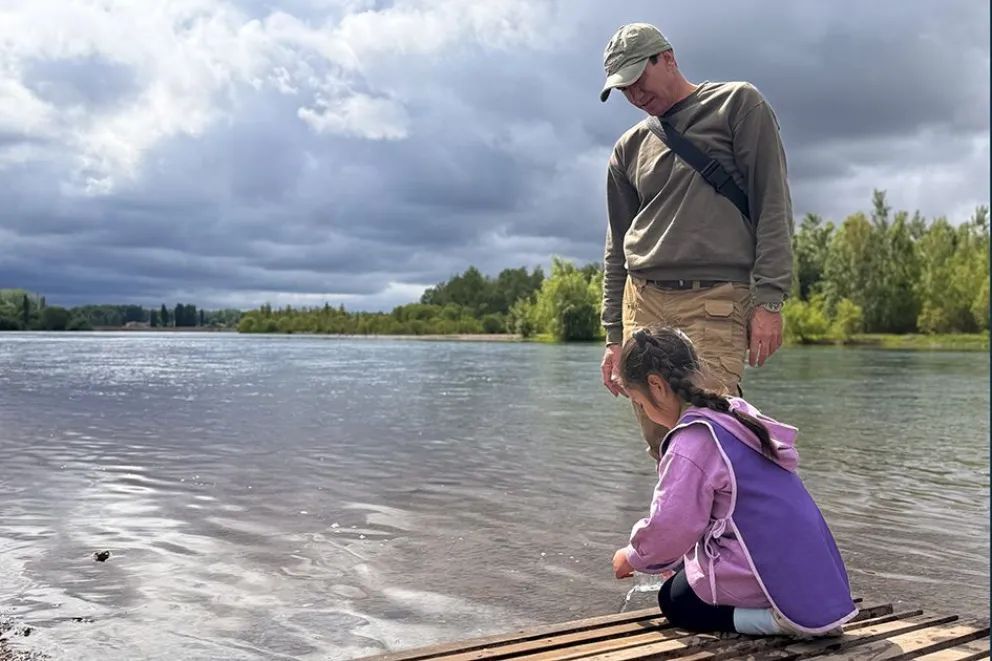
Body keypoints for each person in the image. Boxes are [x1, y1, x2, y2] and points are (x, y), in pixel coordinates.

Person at [597, 22, 794, 460]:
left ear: (666, 58)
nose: (634, 94)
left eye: (637, 79)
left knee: (712, 440)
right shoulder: (628, 148)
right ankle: (681, 528)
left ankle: (733, 529)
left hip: (715, 301)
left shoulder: (738, 105)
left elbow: (773, 206)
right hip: (642, 304)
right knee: (660, 441)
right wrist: (613, 336)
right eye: (622, 88)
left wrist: (770, 300)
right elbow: (617, 250)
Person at [610, 326, 856, 636]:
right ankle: (795, 611)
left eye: (639, 403)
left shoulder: (691, 442)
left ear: (656, 386)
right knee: (682, 567)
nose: (642, 411)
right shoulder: (734, 413)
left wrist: (632, 557)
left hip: (770, 576)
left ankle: (780, 621)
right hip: (817, 573)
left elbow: (671, 528)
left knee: (675, 600)